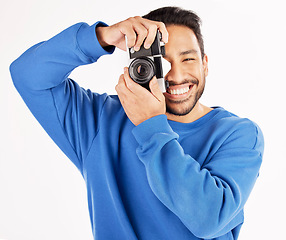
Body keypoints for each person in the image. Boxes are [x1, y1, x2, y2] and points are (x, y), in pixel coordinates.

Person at [10, 6, 264, 240]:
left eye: (188, 59)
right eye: (162, 64)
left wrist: (151, 125)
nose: (175, 76)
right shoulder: (100, 120)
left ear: (205, 64)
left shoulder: (237, 134)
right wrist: (100, 38)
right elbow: (27, 74)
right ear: (141, 65)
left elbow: (209, 218)